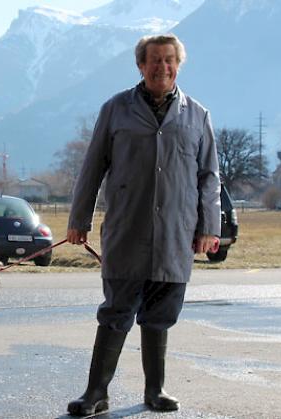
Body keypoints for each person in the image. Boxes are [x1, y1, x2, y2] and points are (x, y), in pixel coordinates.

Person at [66, 34, 220, 416]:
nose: (161, 67)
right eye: (154, 60)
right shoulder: (115, 109)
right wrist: (78, 220)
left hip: (176, 234)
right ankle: (95, 393)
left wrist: (209, 228)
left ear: (178, 65)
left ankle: (156, 390)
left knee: (160, 314)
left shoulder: (197, 115)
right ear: (140, 64)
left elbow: (209, 176)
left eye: (169, 60)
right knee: (116, 311)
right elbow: (92, 168)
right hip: (126, 229)